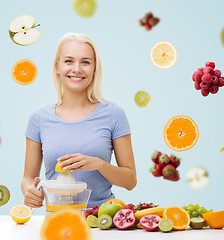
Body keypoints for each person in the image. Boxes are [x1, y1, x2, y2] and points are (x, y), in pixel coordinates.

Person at [21, 33, 137, 209]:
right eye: (69, 61)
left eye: (85, 62)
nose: (77, 69)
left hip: (102, 220)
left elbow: (130, 181)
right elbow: (28, 178)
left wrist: (98, 164)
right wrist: (30, 191)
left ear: (95, 68)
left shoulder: (114, 114)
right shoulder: (39, 118)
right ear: (57, 67)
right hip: (57, 218)